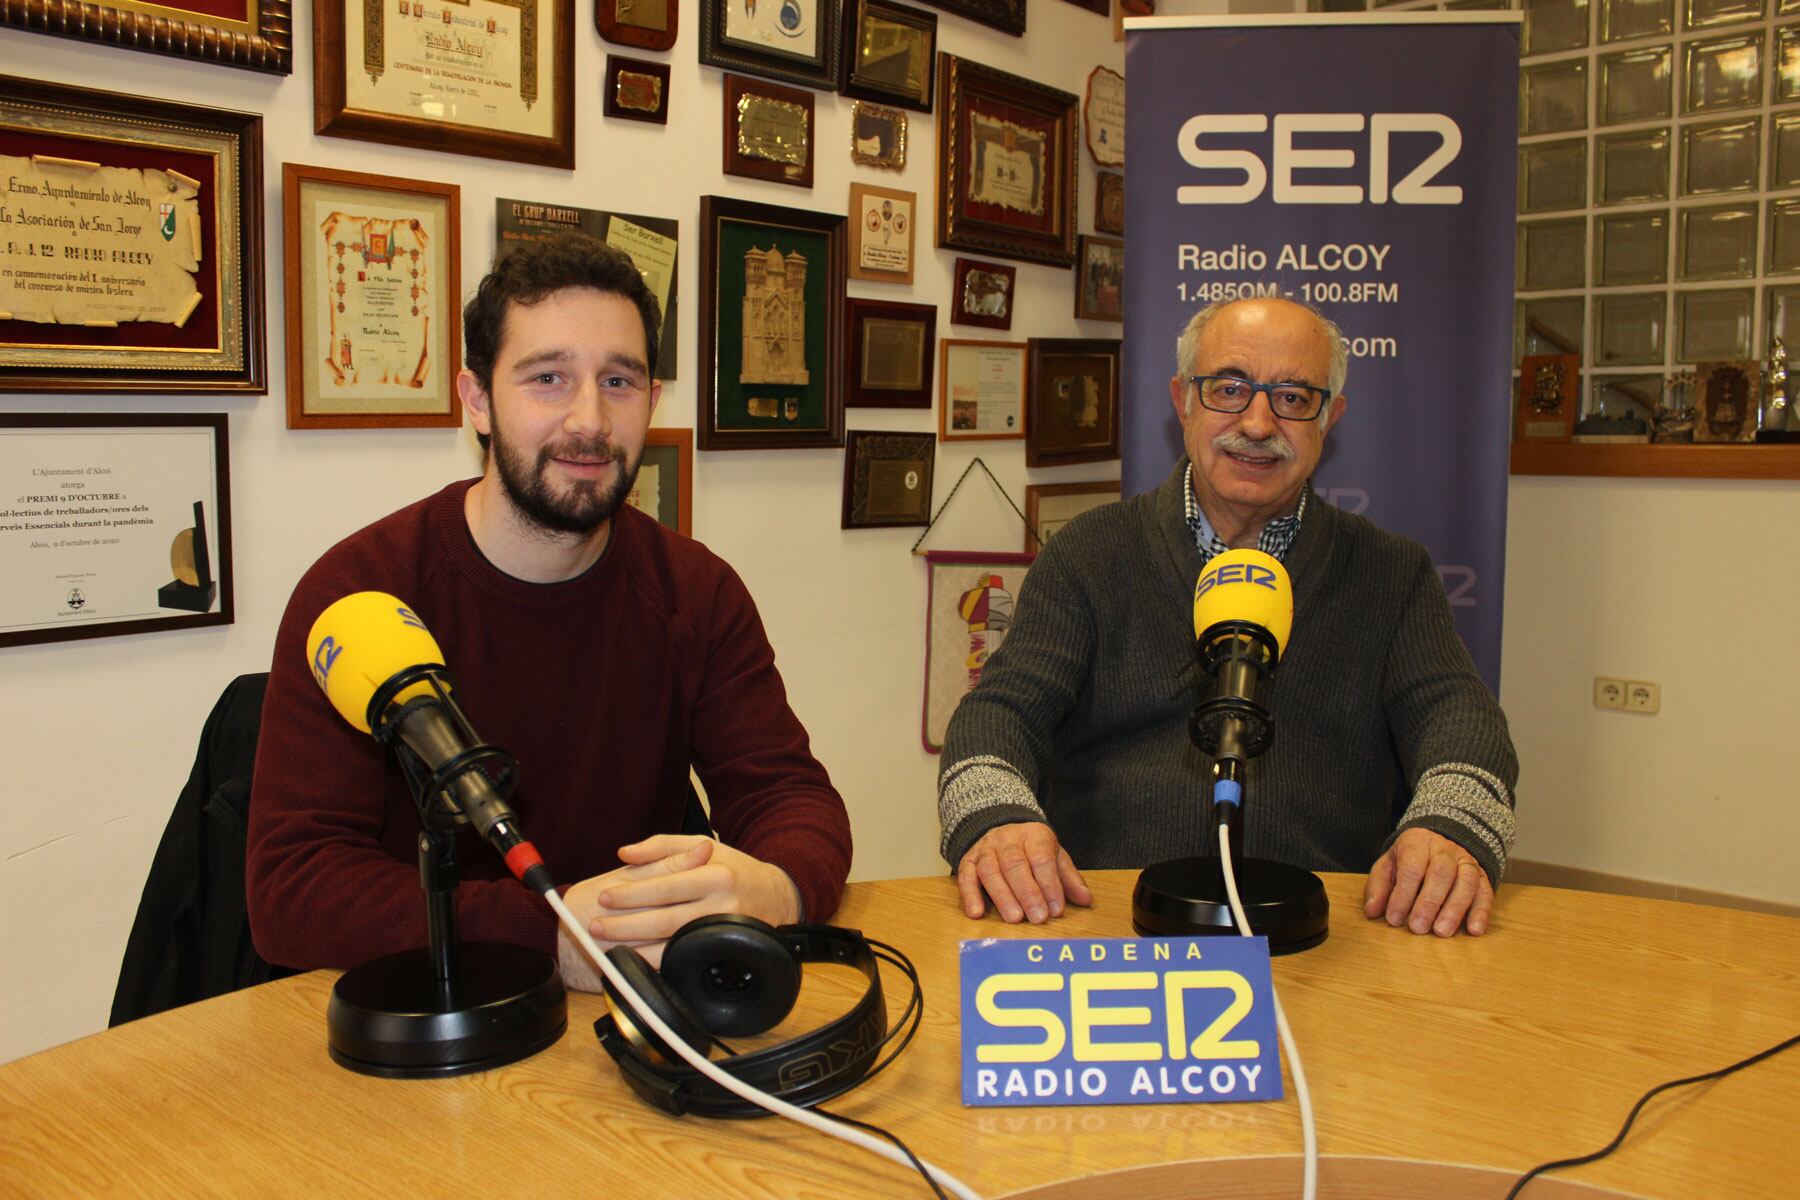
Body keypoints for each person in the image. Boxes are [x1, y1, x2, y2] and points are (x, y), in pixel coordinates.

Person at [248, 234, 851, 989]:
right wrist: (553, 932)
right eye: (548, 378)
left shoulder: (697, 590)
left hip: (638, 1019)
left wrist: (778, 886)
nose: (590, 420)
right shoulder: (360, 594)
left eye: (620, 381)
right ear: (477, 401)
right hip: (437, 1020)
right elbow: (293, 892)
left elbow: (789, 797)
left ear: (653, 401)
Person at [938, 296, 1516, 939]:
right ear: (1183, 400)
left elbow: (1460, 719)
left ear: (1331, 418)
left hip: (1325, 933)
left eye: (1294, 397)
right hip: (1111, 922)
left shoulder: (1391, 572)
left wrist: (1446, 829)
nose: (1259, 422)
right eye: (1230, 389)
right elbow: (1001, 711)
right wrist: (998, 821)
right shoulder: (1090, 554)